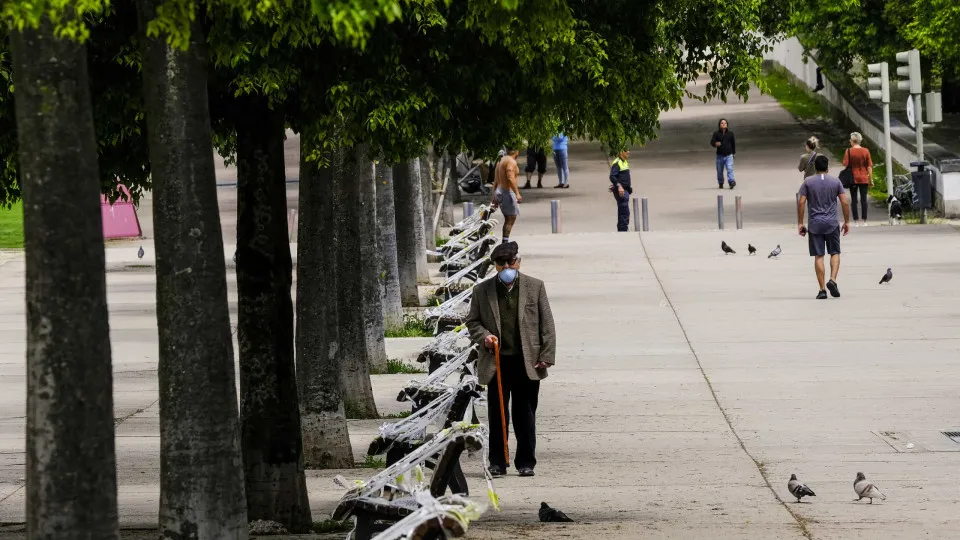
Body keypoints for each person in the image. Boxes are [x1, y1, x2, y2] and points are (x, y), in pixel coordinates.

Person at [466, 242, 556, 478]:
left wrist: (546, 355)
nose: (507, 267)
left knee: (524, 414)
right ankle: (498, 461)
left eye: (510, 262)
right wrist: (485, 337)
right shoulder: (482, 291)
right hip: (496, 362)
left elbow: (547, 324)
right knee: (497, 415)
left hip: (527, 362)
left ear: (518, 262)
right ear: (494, 266)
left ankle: (526, 462)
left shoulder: (535, 286)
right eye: (501, 263)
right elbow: (472, 322)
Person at [798, 155, 851, 300]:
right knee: (835, 252)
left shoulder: (808, 182)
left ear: (815, 167)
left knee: (819, 255)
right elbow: (845, 202)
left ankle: (822, 290)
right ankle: (832, 280)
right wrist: (847, 221)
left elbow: (801, 202)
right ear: (828, 167)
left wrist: (800, 223)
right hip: (832, 223)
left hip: (815, 224)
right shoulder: (835, 182)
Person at [842, 132, 874, 226]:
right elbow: (869, 167)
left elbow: (845, 164)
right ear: (859, 141)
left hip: (853, 178)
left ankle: (856, 221)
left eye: (850, 140)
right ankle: (864, 220)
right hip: (864, 178)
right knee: (864, 200)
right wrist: (871, 180)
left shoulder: (848, 151)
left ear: (852, 141)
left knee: (854, 200)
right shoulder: (866, 151)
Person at [491, 146, 522, 243]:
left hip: (499, 190)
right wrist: (517, 193)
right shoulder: (511, 162)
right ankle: (505, 242)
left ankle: (505, 241)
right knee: (510, 218)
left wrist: (494, 197)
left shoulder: (501, 161)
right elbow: (510, 178)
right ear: (516, 152)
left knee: (509, 218)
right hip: (506, 192)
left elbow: (496, 180)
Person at [609, 149, 632, 231]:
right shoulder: (617, 162)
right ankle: (623, 230)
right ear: (620, 152)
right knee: (624, 211)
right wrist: (619, 186)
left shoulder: (624, 161)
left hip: (625, 190)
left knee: (623, 210)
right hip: (621, 191)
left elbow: (622, 177)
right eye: (626, 150)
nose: (628, 152)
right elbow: (612, 176)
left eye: (629, 150)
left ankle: (622, 229)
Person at [710, 118, 736, 189]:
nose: (723, 124)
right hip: (720, 156)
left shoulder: (730, 134)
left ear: (727, 125)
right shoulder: (716, 134)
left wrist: (733, 153)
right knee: (719, 171)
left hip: (729, 155)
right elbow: (712, 142)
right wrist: (715, 144)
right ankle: (721, 182)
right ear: (719, 125)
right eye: (722, 123)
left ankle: (731, 181)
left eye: (725, 123)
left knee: (730, 168)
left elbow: (733, 144)